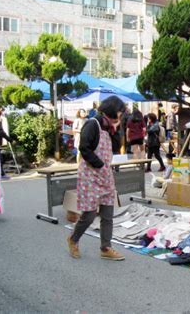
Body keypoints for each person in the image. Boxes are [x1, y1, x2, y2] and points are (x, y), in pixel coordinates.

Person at [67, 96, 126, 261]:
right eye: (119, 113)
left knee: (108, 214)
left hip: (106, 176)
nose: (120, 116)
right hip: (90, 176)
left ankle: (106, 248)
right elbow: (84, 148)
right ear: (111, 111)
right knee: (90, 214)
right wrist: (99, 164)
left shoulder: (110, 126)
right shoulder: (93, 124)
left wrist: (116, 130)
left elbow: (114, 148)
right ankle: (73, 239)